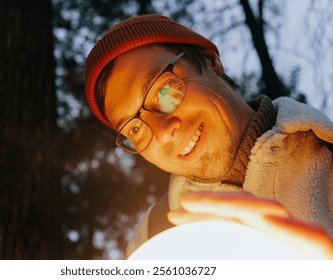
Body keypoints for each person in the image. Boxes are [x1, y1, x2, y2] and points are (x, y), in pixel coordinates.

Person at [85, 14, 333, 258]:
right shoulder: (154, 240)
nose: (161, 133)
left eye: (163, 91)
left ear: (211, 62)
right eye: (134, 129)